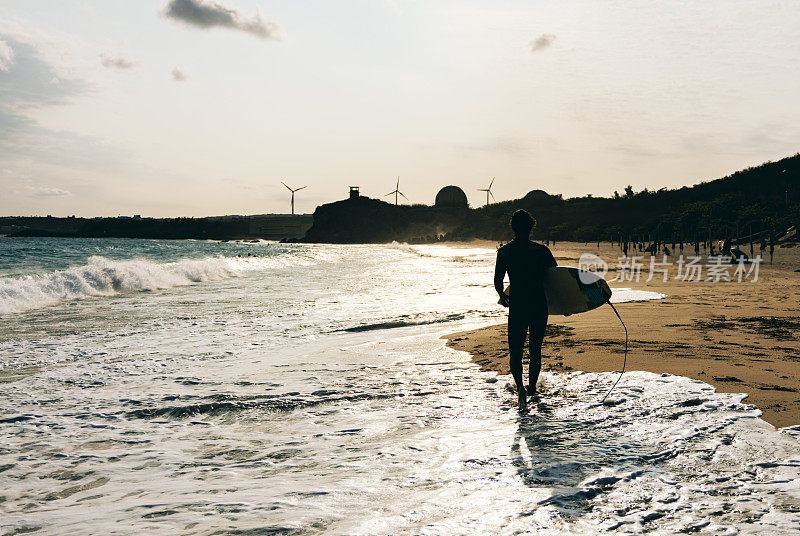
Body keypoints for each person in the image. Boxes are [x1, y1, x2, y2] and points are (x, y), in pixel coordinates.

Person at [494, 210, 557, 410]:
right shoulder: (542, 251)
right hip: (538, 303)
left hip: (518, 304)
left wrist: (502, 295)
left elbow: (497, 280)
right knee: (535, 348)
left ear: (512, 227)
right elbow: (555, 278)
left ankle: (520, 386)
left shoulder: (504, 251)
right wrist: (563, 304)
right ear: (531, 228)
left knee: (515, 350)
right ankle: (532, 389)